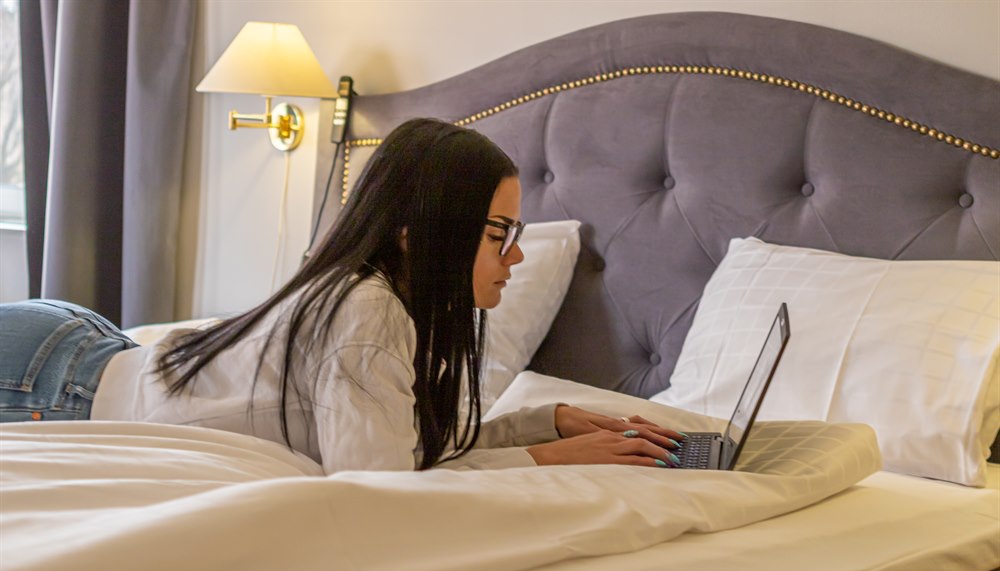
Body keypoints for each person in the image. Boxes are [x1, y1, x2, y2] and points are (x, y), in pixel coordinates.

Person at [0, 118, 684, 473]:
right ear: (421, 234)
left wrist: (546, 422)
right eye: (497, 234)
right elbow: (380, 482)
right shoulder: (368, 310)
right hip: (54, 383)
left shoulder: (381, 302)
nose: (516, 256)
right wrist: (541, 459)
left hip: (77, 352)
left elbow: (410, 444)